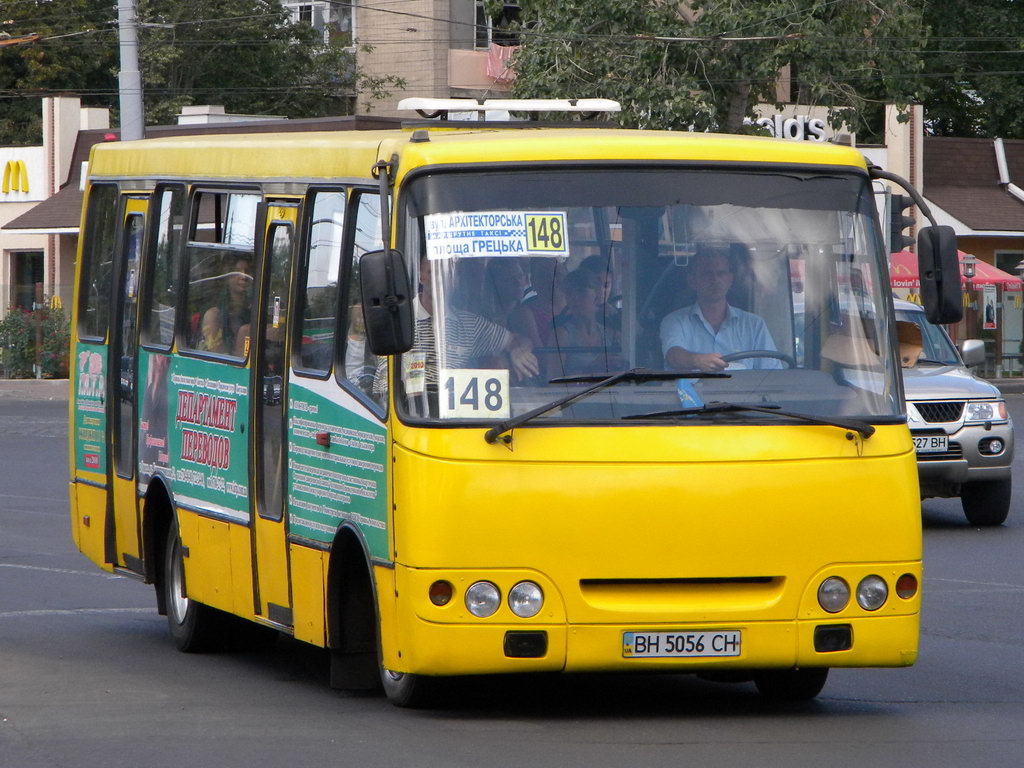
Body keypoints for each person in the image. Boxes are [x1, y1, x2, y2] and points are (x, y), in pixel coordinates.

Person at [660, 245, 779, 372]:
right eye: (707, 273)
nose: (715, 279)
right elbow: (673, 356)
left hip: (744, 392)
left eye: (721, 273)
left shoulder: (754, 325)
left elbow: (771, 374)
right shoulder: (675, 321)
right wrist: (697, 361)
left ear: (730, 279)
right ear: (692, 281)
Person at [554, 267, 620, 374]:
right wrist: (591, 368)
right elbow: (553, 384)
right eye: (569, 293)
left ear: (597, 295)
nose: (574, 298)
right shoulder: (561, 335)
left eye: (581, 291)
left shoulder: (612, 335)